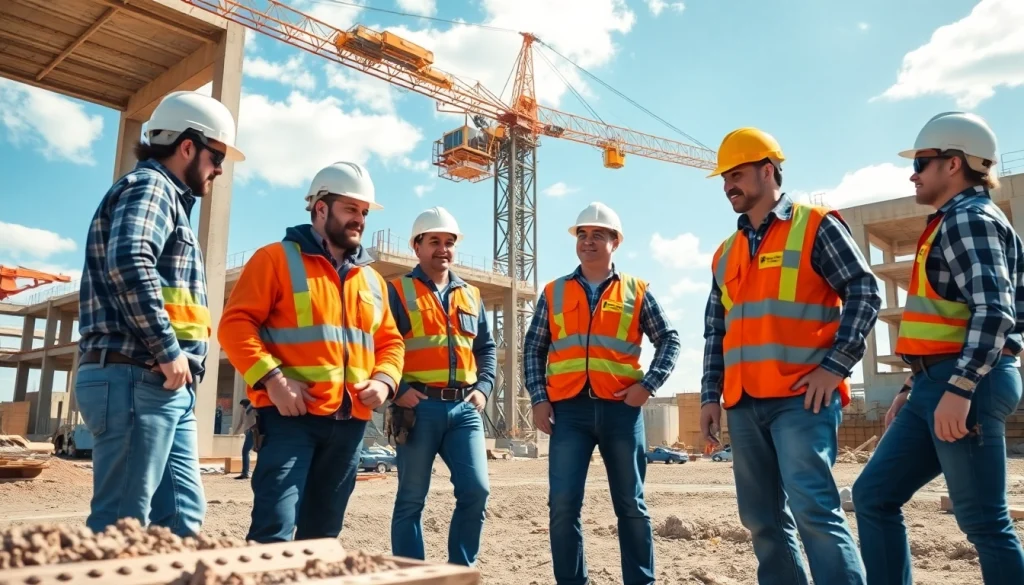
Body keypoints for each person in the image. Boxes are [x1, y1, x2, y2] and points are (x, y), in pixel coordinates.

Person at [699, 127, 880, 585]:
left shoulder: (815, 225)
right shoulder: (725, 253)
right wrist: (709, 397)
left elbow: (864, 290)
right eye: (724, 178)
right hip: (742, 402)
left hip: (802, 398)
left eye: (736, 174)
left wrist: (835, 366)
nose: (728, 186)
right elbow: (715, 331)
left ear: (767, 170)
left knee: (814, 511)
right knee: (761, 520)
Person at [853, 112, 1024, 584]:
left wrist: (961, 386)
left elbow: (994, 312)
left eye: (922, 162)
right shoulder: (950, 222)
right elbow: (947, 321)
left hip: (968, 382)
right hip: (937, 382)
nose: (914, 172)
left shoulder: (970, 219)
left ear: (954, 164)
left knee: (985, 521)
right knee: (873, 496)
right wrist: (913, 383)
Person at [73, 90, 244, 538]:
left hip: (162, 383)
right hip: (137, 376)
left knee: (182, 521)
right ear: (187, 146)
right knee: (122, 529)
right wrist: (168, 350)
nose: (220, 169)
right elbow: (130, 259)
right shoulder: (151, 187)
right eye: (217, 155)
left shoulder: (169, 200)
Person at [218, 161, 404, 543]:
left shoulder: (371, 280)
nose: (360, 220)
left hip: (350, 424)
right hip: (290, 419)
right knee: (274, 529)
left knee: (322, 537)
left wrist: (385, 382)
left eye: (364, 212)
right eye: (351, 209)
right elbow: (235, 325)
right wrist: (273, 380)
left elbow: (391, 342)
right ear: (321, 209)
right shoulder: (275, 260)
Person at [524, 202, 680, 585]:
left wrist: (648, 386)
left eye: (598, 235)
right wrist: (539, 398)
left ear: (615, 242)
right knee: (562, 505)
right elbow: (533, 348)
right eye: (582, 235)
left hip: (621, 412)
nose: (588, 241)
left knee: (631, 505)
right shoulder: (554, 292)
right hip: (568, 413)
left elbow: (669, 339)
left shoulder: (636, 291)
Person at [387, 206, 496, 566]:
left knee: (476, 490)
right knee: (411, 499)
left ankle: (459, 571)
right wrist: (398, 386)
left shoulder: (471, 295)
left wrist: (483, 386)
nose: (443, 249)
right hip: (418, 409)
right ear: (417, 246)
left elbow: (486, 348)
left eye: (449, 242)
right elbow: (379, 344)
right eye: (434, 241)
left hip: (465, 409)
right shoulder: (397, 291)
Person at [231, 398, 257, 480]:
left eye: (242, 405)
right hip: (248, 432)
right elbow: (241, 421)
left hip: (252, 431)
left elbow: (257, 419)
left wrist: (255, 428)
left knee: (246, 451)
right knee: (247, 451)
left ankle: (246, 472)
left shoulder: (253, 408)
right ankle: (245, 472)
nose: (242, 407)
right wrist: (235, 431)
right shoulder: (245, 410)